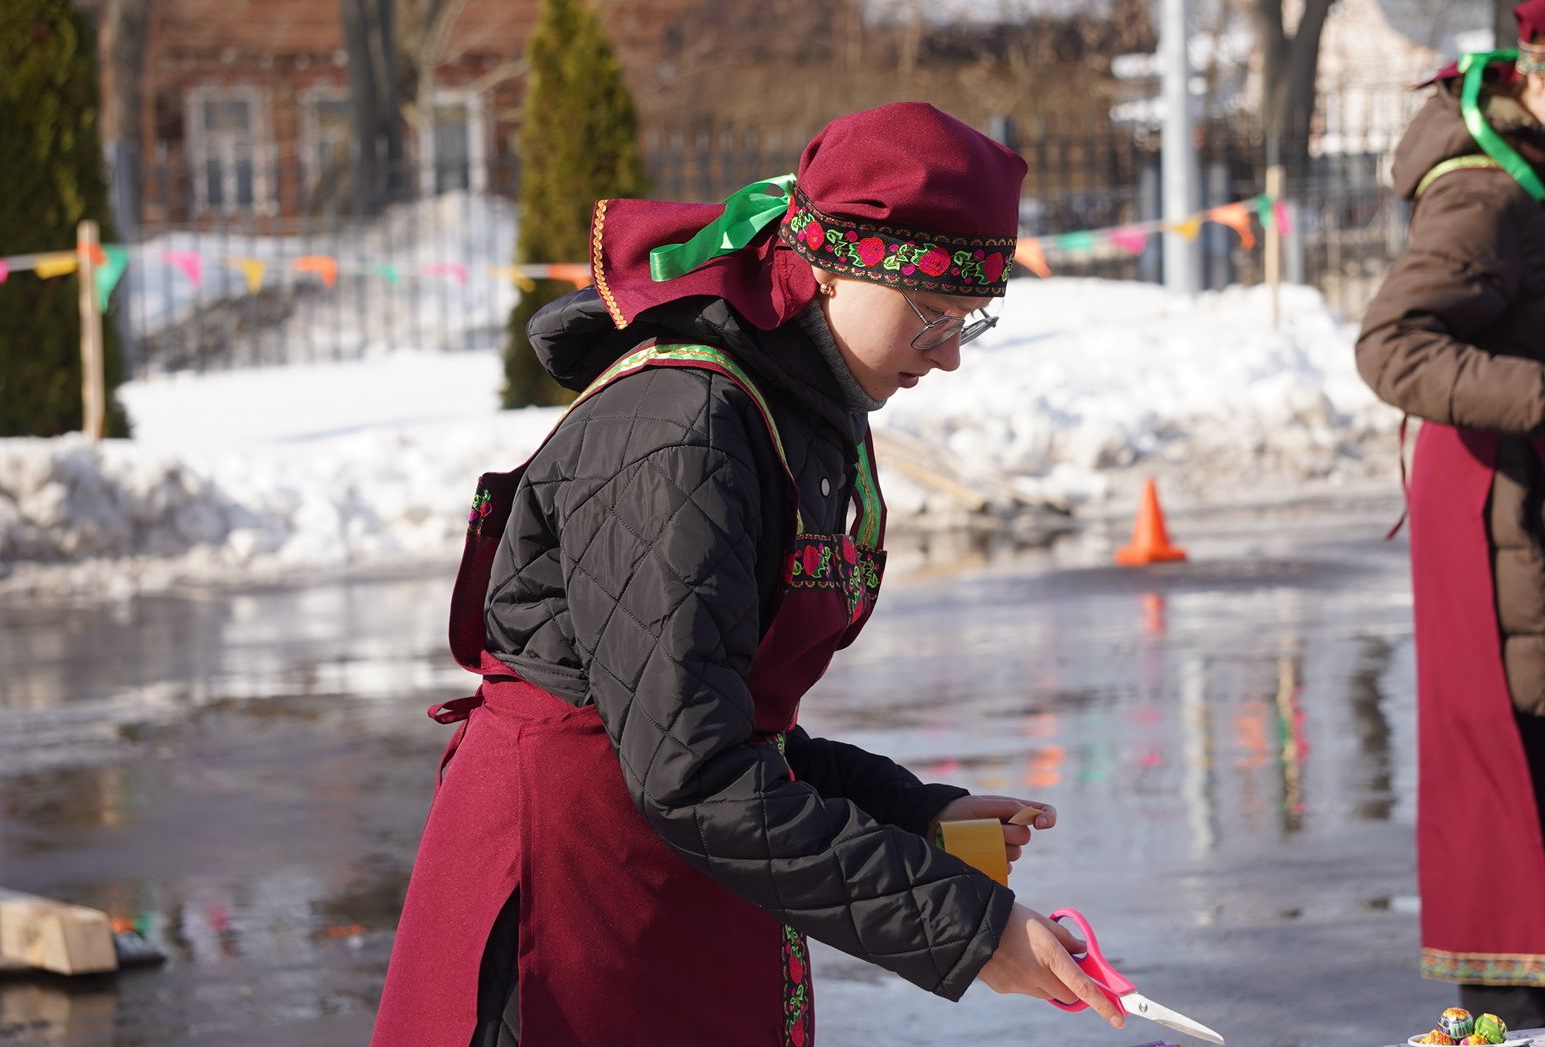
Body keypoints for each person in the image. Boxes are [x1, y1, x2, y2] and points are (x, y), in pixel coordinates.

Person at [370, 102, 1126, 1046]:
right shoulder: (681, 429)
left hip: (677, 868)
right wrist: (967, 932)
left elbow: (724, 720)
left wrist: (911, 813)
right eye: (930, 313)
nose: (948, 356)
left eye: (971, 321)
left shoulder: (791, 407)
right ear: (826, 266)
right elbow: (691, 764)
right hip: (572, 899)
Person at [1357, 0, 1545, 1029]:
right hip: (1520, 553)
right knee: (1514, 806)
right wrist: (1539, 394)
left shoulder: (1544, 182)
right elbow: (1391, 347)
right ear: (1540, 77)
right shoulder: (1485, 197)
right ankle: (1517, 1028)